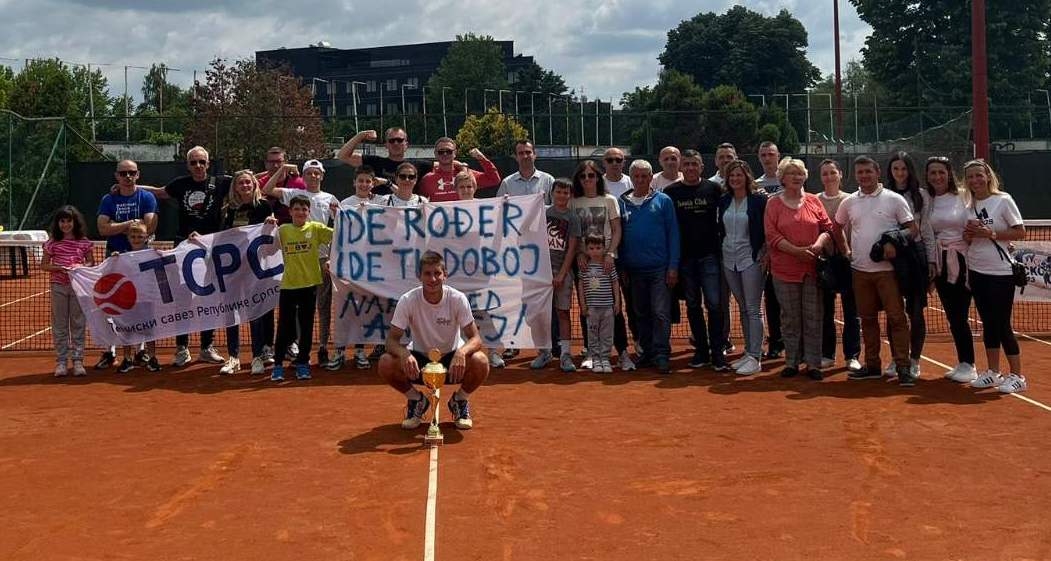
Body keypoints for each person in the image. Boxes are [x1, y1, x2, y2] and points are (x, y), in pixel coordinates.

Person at [378, 251, 489, 430]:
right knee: (385, 362)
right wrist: (404, 353)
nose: (433, 279)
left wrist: (461, 352)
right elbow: (391, 341)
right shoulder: (407, 300)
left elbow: (476, 338)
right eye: (427, 273)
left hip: (452, 361)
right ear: (419, 276)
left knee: (481, 361)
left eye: (437, 273)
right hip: (420, 361)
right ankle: (417, 400)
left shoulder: (457, 299)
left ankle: (459, 401)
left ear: (445, 275)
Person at [139, 146, 230, 367]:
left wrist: (280, 171)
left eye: (202, 162)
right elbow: (159, 192)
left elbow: (249, 180)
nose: (198, 166)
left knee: (209, 297)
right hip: (184, 246)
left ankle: (207, 347)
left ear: (208, 163)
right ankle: (182, 348)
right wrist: (131, 185)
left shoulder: (221, 182)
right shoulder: (180, 184)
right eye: (193, 162)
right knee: (183, 298)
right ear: (188, 165)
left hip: (210, 248)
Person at [834, 156, 918, 386]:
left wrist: (894, 243)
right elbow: (836, 226)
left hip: (889, 272)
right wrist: (846, 250)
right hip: (860, 271)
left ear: (877, 172)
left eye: (868, 171)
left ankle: (903, 368)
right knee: (868, 320)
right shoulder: (849, 202)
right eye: (860, 172)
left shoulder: (894, 199)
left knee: (897, 319)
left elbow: (912, 229)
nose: (864, 176)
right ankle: (872, 366)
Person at [263, 159, 340, 367]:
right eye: (309, 173)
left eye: (317, 173)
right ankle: (295, 345)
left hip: (321, 259)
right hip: (298, 259)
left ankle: (323, 347)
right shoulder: (294, 196)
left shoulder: (330, 198)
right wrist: (282, 169)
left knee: (323, 306)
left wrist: (331, 257)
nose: (313, 177)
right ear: (303, 176)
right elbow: (267, 189)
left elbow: (338, 230)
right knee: (298, 309)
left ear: (322, 176)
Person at [961, 159, 1027, 393]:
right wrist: (970, 235)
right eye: (970, 177)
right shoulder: (969, 205)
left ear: (988, 176)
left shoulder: (1003, 200)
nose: (975, 180)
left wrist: (991, 233)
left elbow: (1020, 231)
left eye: (979, 175)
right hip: (978, 270)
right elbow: (968, 239)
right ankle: (992, 372)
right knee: (988, 323)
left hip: (1001, 272)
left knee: (1002, 324)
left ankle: (1018, 375)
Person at [765, 157, 834, 380]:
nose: (796, 177)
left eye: (800, 173)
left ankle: (813, 364)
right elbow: (772, 235)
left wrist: (818, 245)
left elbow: (827, 228)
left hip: (813, 269)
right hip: (784, 270)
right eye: (791, 173)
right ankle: (792, 362)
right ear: (782, 178)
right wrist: (795, 251)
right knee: (790, 318)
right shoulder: (773, 204)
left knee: (814, 316)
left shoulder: (814, 201)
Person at [663, 150, 728, 371]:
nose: (691, 168)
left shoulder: (714, 189)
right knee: (692, 305)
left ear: (702, 167)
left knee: (714, 304)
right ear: (682, 167)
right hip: (685, 259)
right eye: (687, 164)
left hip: (710, 256)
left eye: (695, 164)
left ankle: (717, 352)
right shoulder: (671, 192)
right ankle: (701, 350)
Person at [570, 160, 635, 371]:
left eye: (591, 175)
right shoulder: (573, 203)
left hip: (607, 261)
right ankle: (591, 352)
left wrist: (609, 253)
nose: (588, 180)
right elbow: (574, 235)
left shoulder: (609, 200)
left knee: (613, 308)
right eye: (583, 176)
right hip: (582, 262)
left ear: (598, 177)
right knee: (587, 308)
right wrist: (580, 253)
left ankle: (623, 352)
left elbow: (616, 230)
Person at [94, 159, 158, 369]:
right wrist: (130, 224)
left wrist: (119, 226)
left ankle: (141, 351)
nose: (127, 177)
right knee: (115, 307)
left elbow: (147, 226)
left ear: (138, 174)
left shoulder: (146, 197)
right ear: (116, 176)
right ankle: (111, 350)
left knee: (142, 305)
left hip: (140, 261)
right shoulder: (108, 199)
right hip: (115, 261)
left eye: (131, 173)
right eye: (123, 173)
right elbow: (103, 228)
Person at [617, 160, 680, 374]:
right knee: (640, 313)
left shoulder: (663, 201)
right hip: (633, 270)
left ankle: (662, 354)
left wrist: (673, 266)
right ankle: (647, 352)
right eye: (637, 176)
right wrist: (623, 266)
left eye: (645, 176)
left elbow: (673, 235)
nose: (641, 180)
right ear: (631, 177)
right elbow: (620, 237)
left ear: (651, 177)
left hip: (659, 269)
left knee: (660, 312)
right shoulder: (622, 202)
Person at [271, 195, 333, 382]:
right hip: (289, 285)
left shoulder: (315, 228)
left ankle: (303, 363)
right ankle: (278, 365)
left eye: (304, 209)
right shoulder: (282, 230)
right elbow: (267, 244)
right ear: (290, 212)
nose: (300, 212)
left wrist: (341, 215)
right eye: (296, 209)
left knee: (306, 327)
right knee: (284, 326)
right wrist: (268, 226)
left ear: (309, 212)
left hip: (309, 285)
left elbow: (340, 234)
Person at [885, 151, 936, 378]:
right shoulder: (883, 194)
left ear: (910, 170)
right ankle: (898, 359)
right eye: (895, 169)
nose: (900, 173)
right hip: (893, 258)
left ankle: (914, 360)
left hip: (916, 258)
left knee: (916, 312)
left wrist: (931, 260)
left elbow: (925, 229)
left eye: (903, 168)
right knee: (894, 312)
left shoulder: (921, 195)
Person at [926, 156, 977, 383]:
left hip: (966, 262)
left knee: (964, 313)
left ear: (949, 174)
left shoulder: (965, 195)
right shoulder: (927, 200)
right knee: (953, 315)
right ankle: (965, 362)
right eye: (933, 173)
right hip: (941, 263)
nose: (937, 177)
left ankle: (976, 366)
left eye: (941, 172)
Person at [220, 170, 274, 375]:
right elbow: (220, 237)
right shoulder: (228, 209)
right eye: (240, 183)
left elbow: (268, 236)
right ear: (235, 187)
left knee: (255, 313)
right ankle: (233, 357)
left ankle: (257, 357)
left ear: (254, 185)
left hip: (256, 268)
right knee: (231, 312)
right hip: (232, 270)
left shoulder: (264, 206)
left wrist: (270, 225)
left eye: (248, 183)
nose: (245, 186)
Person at [717, 160, 767, 376]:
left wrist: (765, 251)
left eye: (739, 175)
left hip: (751, 259)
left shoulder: (758, 200)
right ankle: (748, 352)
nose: (735, 179)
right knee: (743, 308)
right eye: (732, 176)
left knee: (754, 309)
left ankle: (755, 357)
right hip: (729, 259)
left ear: (747, 176)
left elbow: (766, 228)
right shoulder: (724, 200)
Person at [816, 159, 862, 372]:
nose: (829, 177)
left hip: (849, 261)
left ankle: (852, 355)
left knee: (852, 311)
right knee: (825, 311)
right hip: (825, 263)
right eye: (825, 174)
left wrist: (848, 253)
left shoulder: (852, 199)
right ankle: (827, 354)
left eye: (832, 172)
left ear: (840, 174)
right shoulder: (814, 200)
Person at [532, 178, 581, 372]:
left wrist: (561, 274)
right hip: (541, 274)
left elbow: (572, 249)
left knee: (563, 313)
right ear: (552, 193)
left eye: (566, 193)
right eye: (558, 192)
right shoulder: (542, 213)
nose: (562, 196)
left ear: (570, 195)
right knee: (541, 314)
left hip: (563, 273)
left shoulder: (573, 218)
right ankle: (544, 352)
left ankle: (565, 354)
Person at [43, 205, 95, 378]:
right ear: (58, 223)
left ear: (75, 222)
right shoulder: (52, 243)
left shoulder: (84, 242)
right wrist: (60, 268)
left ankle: (78, 360)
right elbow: (44, 265)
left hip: (77, 287)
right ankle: (61, 362)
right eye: (62, 221)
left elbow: (90, 262)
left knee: (78, 323)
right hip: (59, 286)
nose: (65, 225)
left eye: (68, 221)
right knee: (60, 324)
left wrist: (79, 267)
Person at [113, 222, 161, 374]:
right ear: (128, 238)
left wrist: (160, 255)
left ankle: (152, 357)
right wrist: (115, 259)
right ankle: (127, 359)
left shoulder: (151, 253)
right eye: (133, 236)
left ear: (146, 237)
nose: (136, 239)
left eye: (140, 236)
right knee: (126, 329)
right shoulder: (122, 256)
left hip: (146, 299)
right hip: (128, 300)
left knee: (148, 329)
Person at [578, 235, 622, 373]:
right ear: (586, 250)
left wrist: (617, 302)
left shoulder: (608, 265)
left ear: (604, 248)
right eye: (591, 248)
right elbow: (580, 286)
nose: (595, 251)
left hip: (608, 307)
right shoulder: (584, 267)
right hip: (592, 309)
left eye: (598, 248)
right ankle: (596, 359)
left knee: (607, 335)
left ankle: (605, 359)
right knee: (592, 335)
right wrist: (583, 305)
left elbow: (615, 283)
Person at [336, 128, 419, 196]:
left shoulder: (417, 166)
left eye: (399, 140)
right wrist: (361, 135)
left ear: (406, 145)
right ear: (386, 145)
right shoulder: (375, 162)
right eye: (391, 140)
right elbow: (342, 156)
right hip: (378, 211)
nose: (396, 143)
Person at [418, 138, 500, 202]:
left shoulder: (466, 174)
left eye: (449, 151)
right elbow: (420, 202)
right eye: (441, 152)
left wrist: (481, 158)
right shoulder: (427, 179)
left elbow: (494, 179)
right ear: (435, 154)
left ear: (455, 153)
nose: (445, 154)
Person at [255, 146, 306, 224]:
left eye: (279, 162)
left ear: (285, 163)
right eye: (271, 162)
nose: (275, 165)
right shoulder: (259, 184)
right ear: (266, 163)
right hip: (265, 228)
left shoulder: (299, 183)